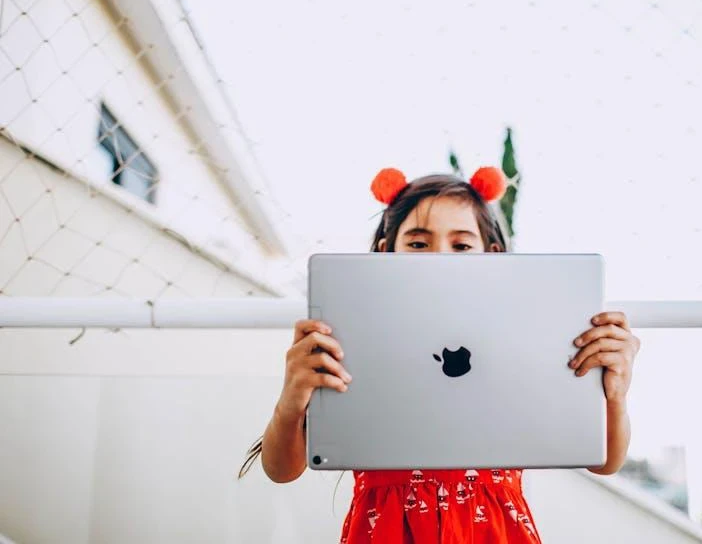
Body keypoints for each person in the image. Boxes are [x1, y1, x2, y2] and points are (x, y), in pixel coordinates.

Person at [241, 167, 641, 543]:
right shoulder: (352, 339)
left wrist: (614, 394)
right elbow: (281, 469)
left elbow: (604, 461)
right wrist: (291, 401)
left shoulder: (523, 344)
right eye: (418, 242)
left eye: (462, 244)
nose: (439, 257)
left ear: (492, 253)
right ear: (386, 252)